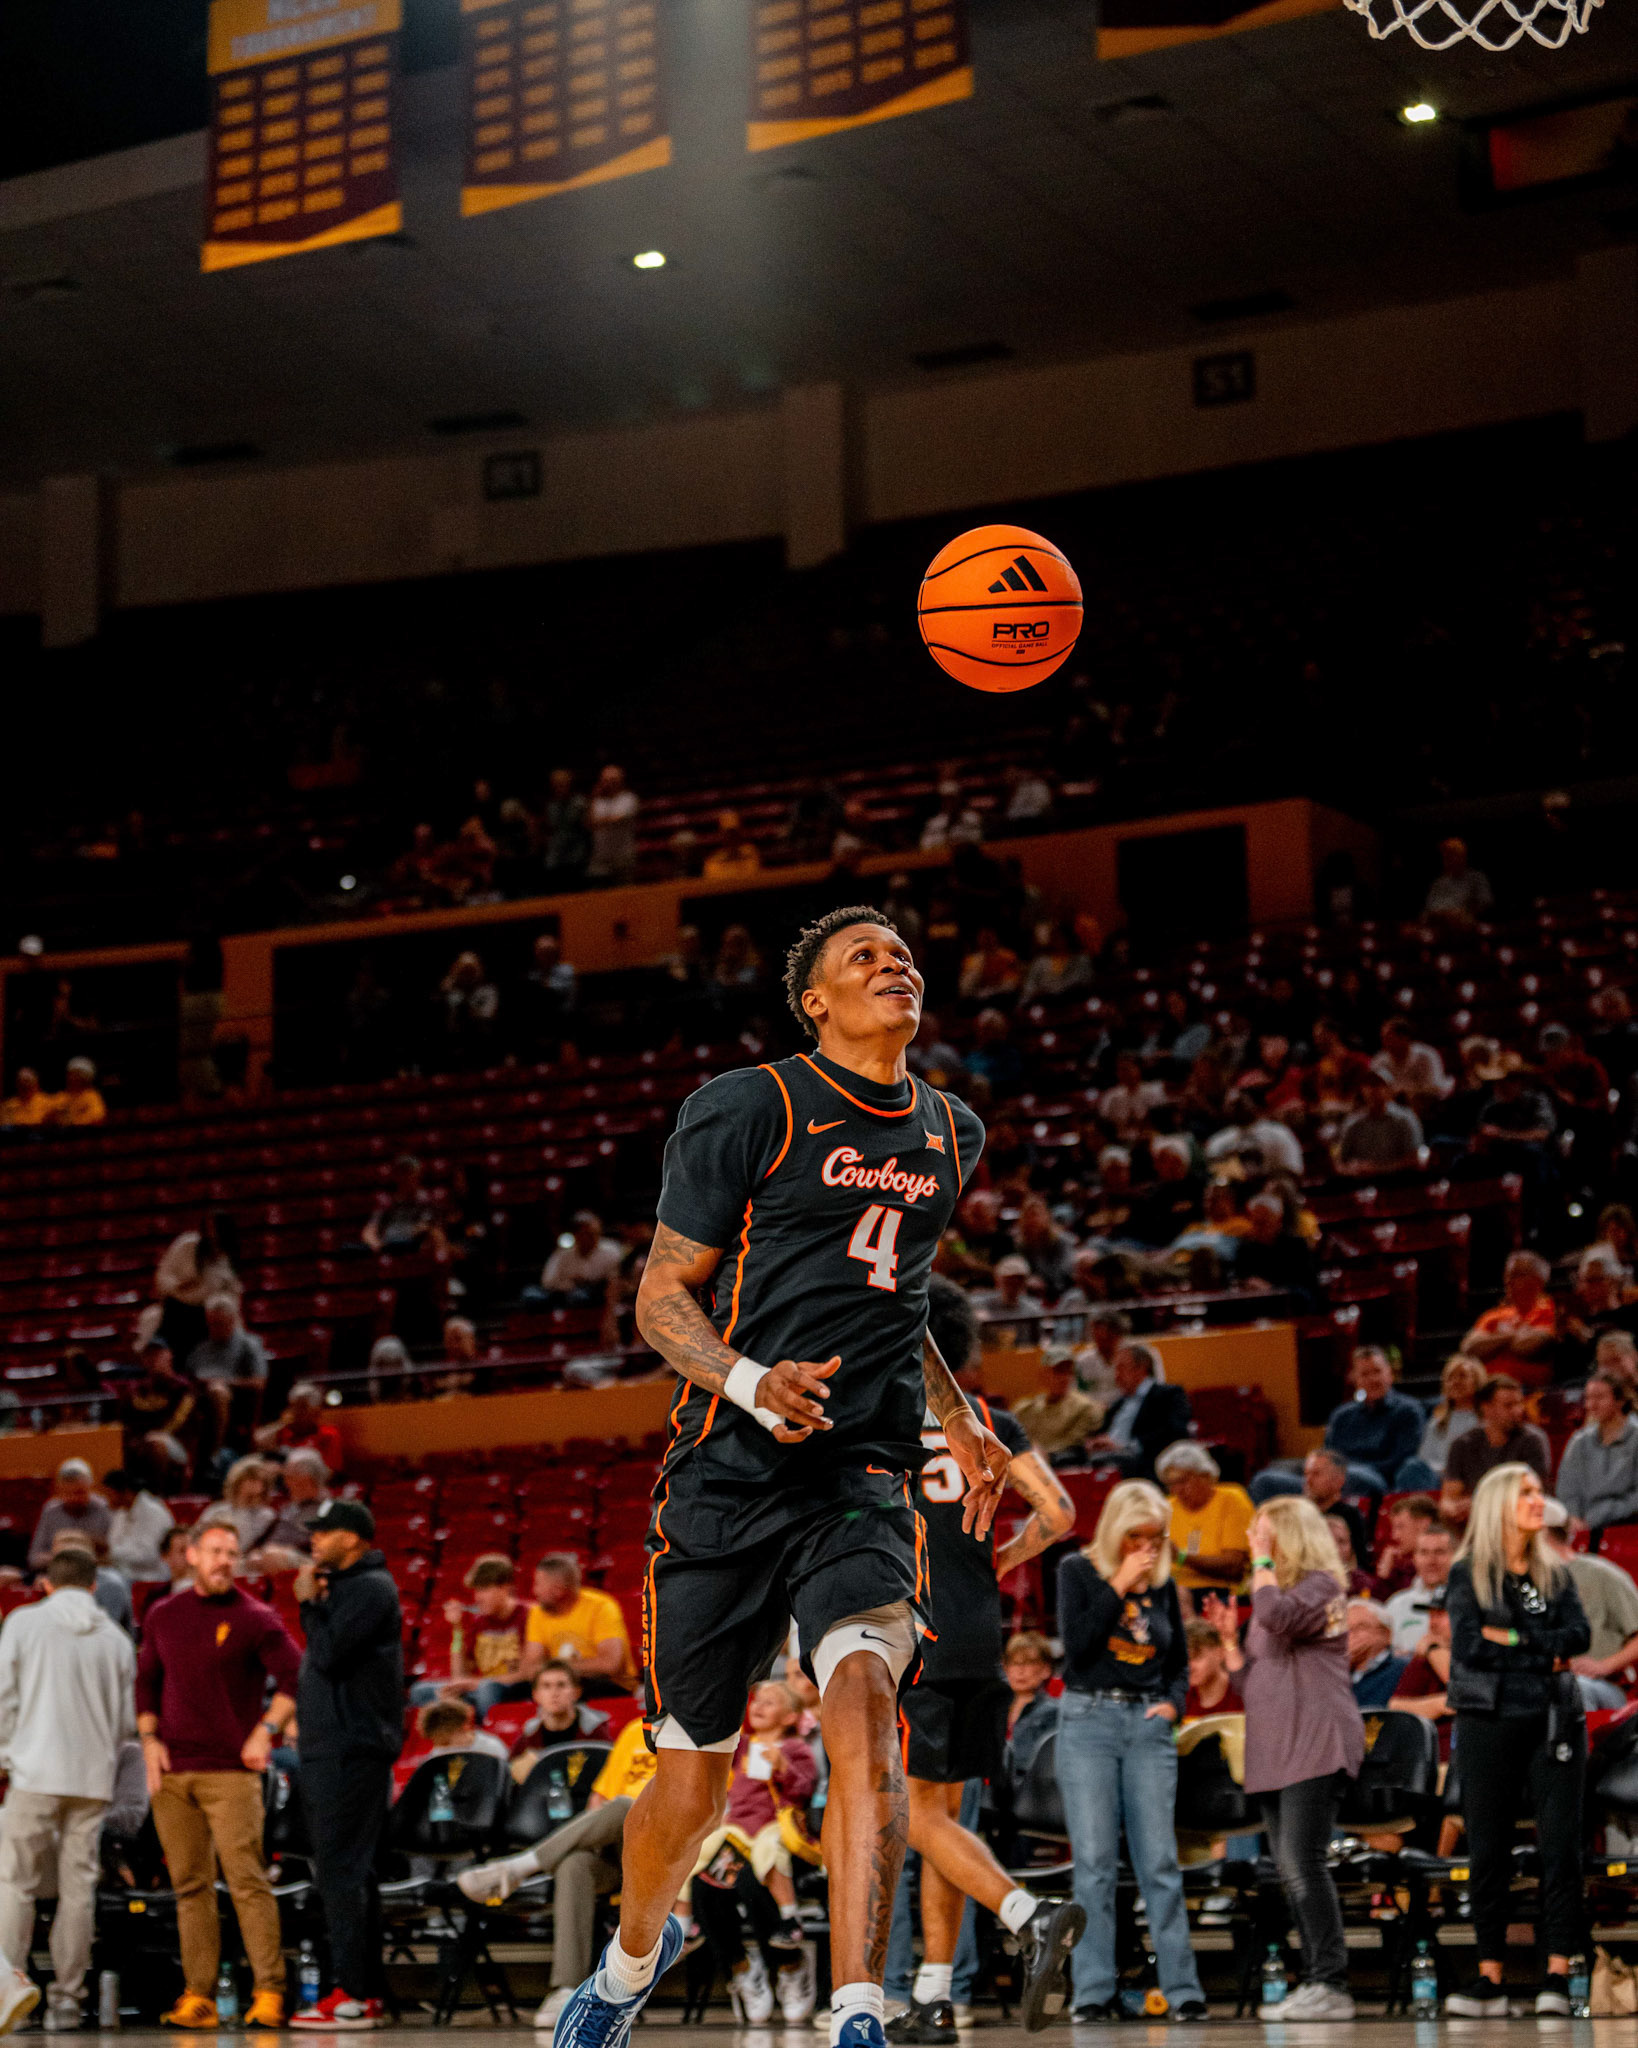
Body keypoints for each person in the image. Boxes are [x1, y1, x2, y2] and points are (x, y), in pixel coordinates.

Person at [554, 905, 1040, 2048]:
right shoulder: (751, 1106)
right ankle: (629, 1965)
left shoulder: (952, 1129)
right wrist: (749, 1379)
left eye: (904, 954)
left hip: (859, 1471)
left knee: (864, 1702)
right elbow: (660, 1296)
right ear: (814, 1001)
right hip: (727, 1470)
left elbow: (900, 1300)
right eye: (865, 956)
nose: (895, 965)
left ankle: (857, 2007)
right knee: (689, 1786)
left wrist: (958, 1416)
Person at [888, 1276, 1080, 2043]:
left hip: (917, 1634)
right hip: (982, 1637)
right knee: (943, 1820)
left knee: (915, 1817)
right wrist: (995, 1564)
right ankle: (936, 1998)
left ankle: (1027, 1913)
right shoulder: (992, 1423)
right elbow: (1059, 1513)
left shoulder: (886, 1417)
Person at [1202, 1495, 1363, 2021]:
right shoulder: (1278, 1594)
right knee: (1289, 1867)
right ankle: (1316, 1980)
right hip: (1276, 1747)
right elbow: (1255, 1683)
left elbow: (1273, 1615)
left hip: (1316, 1740)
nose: (1254, 1542)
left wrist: (1262, 1560)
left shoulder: (1322, 1586)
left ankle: (1331, 1983)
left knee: (1302, 1862)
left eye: (1263, 1534)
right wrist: (1230, 1643)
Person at [135, 1521, 300, 2030]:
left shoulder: (256, 1617)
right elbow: (146, 1681)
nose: (225, 1560)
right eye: (215, 1551)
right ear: (191, 1555)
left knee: (247, 1881)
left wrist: (265, 1731)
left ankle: (269, 1991)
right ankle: (199, 1996)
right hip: (173, 1772)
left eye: (232, 1552)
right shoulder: (163, 1614)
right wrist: (149, 1741)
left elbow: (296, 1676)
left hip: (231, 1771)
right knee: (190, 1886)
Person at [1055, 1481, 1206, 2024]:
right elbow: (1077, 1648)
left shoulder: (1164, 1585)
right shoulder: (1076, 1570)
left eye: (1154, 1538)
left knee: (1159, 1862)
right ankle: (1092, 1992)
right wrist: (1118, 1584)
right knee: (1094, 1863)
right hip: (1088, 1720)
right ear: (1115, 1531)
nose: (1145, 1547)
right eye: (1135, 1536)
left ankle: (1183, 1990)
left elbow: (1179, 1660)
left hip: (1146, 1724)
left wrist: (1173, 1705)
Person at [1443, 1463, 1590, 2019]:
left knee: (1561, 1847)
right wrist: (1542, 1649)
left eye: (1538, 1491)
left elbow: (1579, 1637)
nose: (1537, 1500)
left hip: (1554, 1719)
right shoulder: (1468, 1573)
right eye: (1526, 1492)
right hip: (1488, 1718)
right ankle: (1490, 1977)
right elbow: (1469, 1648)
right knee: (1488, 1849)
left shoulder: (1556, 1574)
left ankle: (1557, 1973)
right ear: (1499, 1503)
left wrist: (1510, 1637)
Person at [0, 1546, 135, 2034]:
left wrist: (6, 1754)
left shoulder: (23, 1622)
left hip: (35, 1772)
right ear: (95, 1587)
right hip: (91, 1779)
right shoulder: (116, 1638)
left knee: (15, 1884)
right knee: (78, 1892)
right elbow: (124, 1723)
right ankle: (67, 2003)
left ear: (46, 1585)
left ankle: (10, 1997)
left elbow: (3, 1697)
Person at [460, 1710, 659, 2036]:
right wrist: (591, 1836)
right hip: (617, 1848)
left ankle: (520, 1866)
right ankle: (566, 1989)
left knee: (627, 1805)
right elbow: (599, 1799)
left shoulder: (699, 1733)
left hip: (662, 1850)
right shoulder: (636, 1730)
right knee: (574, 1864)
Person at [291, 1499, 404, 2031]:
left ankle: (351, 1994)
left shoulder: (370, 1588)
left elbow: (329, 1654)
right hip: (338, 1747)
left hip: (350, 1748)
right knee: (351, 1871)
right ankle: (366, 1992)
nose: (314, 1538)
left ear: (354, 1537)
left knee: (340, 1871)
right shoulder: (349, 1587)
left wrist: (308, 1605)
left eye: (325, 1531)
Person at [688, 1680, 820, 2023]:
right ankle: (742, 1968)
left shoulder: (795, 1748)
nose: (758, 1706)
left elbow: (806, 1788)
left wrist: (782, 1767)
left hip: (779, 1839)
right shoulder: (742, 1745)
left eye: (770, 1702)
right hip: (738, 1836)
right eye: (756, 1700)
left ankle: (790, 1966)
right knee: (704, 1883)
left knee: (751, 1880)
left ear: (790, 1716)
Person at [1540, 1499, 1638, 1710]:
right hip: (1546, 1680)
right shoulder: (1522, 1582)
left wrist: (1604, 1666)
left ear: (1541, 1532)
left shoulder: (1601, 1573)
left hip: (1602, 1685)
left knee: (1569, 1688)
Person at [431, 1554, 535, 1718]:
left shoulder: (529, 1615)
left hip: (519, 1690)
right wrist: (457, 1630)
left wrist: (475, 1683)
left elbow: (526, 1673)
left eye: (484, 1589)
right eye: (476, 1590)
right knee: (422, 1691)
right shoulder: (479, 1622)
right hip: (483, 1689)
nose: (477, 1597)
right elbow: (459, 1676)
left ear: (505, 1588)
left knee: (488, 1689)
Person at [1081, 1341, 1192, 1483]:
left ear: (1140, 1369)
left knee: (1103, 1464)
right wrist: (1094, 1442)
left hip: (1142, 1462)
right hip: (1108, 1458)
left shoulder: (1169, 1394)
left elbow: (1176, 1431)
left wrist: (1126, 1446)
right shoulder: (1119, 1403)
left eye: (1121, 1368)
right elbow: (1101, 1432)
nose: (1116, 1376)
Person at [524, 1552, 635, 1694]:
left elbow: (609, 1665)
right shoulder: (537, 1612)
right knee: (520, 1691)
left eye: (538, 1584)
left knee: (564, 1691)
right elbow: (531, 1667)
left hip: (610, 1685)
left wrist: (555, 1668)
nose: (534, 1591)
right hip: (560, 1683)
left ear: (558, 1591)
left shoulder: (601, 1606)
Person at [1156, 1441, 1253, 1601]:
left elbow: (1235, 1568)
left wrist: (1181, 1557)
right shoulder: (1166, 1507)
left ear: (1206, 1476)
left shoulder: (1231, 1499)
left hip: (1221, 1591)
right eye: (1171, 1484)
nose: (1177, 1490)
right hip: (1172, 1589)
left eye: (1183, 1481)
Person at [1555, 1369, 1638, 1539]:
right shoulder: (1579, 1441)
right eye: (1588, 1398)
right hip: (1581, 1528)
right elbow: (1567, 1488)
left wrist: (1598, 1516)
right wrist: (1574, 1517)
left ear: (1620, 1401)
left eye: (1599, 1397)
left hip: (1627, 1527)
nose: (1590, 1405)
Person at [153, 1212, 241, 1366]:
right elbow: (162, 1277)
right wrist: (179, 1286)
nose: (212, 1236)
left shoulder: (226, 1261)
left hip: (206, 1317)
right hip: (176, 1312)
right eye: (209, 1230)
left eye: (217, 1231)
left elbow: (233, 1297)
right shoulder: (186, 1245)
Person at [1460, 1251, 1557, 1387]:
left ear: (1538, 1281)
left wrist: (1493, 1340)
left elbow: (1525, 1347)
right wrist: (1512, 1336)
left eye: (1516, 1275)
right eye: (1507, 1275)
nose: (1508, 1281)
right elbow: (1470, 1347)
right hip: (1486, 1388)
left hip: (1526, 1390)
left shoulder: (1551, 1311)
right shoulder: (1493, 1316)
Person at [184, 1293, 268, 1446]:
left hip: (236, 1404)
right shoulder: (201, 1349)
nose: (214, 1328)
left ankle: (214, 1450)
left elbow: (259, 1383)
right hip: (198, 1400)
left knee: (218, 1391)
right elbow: (188, 1378)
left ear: (232, 1320)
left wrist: (223, 1382)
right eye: (211, 1323)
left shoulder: (249, 1345)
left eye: (219, 1323)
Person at [1445, 1374, 1552, 1493]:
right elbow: (1450, 1499)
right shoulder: (1462, 1445)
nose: (1517, 1411)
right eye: (1508, 1405)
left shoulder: (1533, 1440)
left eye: (1519, 1403)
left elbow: (1531, 1492)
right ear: (1486, 1408)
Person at [1402, 1355, 1486, 1489]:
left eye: (1462, 1376)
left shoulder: (1486, 1420)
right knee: (1411, 1467)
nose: (1455, 1382)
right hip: (1437, 1478)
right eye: (1450, 1378)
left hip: (1470, 1478)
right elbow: (1424, 1458)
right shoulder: (1437, 1421)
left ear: (1477, 1381)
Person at [506, 1661, 610, 1770]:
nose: (554, 1693)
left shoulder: (595, 1735)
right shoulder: (528, 1738)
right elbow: (508, 1773)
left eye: (561, 1685)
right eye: (546, 1686)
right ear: (536, 1695)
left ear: (577, 1692)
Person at [1012, 1350, 1101, 1458]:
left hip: (1062, 1462)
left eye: (1069, 1372)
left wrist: (1042, 1454)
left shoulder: (1084, 1408)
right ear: (1043, 1375)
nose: (1064, 1378)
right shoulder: (1025, 1409)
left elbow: (1074, 1445)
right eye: (1058, 1371)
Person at [1332, 1072, 1423, 1177]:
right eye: (1368, 1085)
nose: (1372, 1090)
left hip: (1397, 1180)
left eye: (1378, 1085)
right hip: (1360, 1181)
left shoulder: (1405, 1119)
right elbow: (1340, 1161)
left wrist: (1378, 1170)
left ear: (1389, 1090)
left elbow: (1414, 1160)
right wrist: (1351, 1169)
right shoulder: (1353, 1122)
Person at [1384, 1522, 1456, 1655]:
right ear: (1414, 1558)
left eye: (1439, 1552)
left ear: (1455, 1556)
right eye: (1424, 1553)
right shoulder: (1396, 1605)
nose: (1431, 1561)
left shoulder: (1470, 1602)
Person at [27, 1461, 110, 1572]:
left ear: (91, 1487)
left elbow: (113, 1555)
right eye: (67, 1493)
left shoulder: (103, 1508)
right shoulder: (50, 1511)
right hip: (56, 1572)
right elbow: (34, 1558)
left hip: (94, 1572)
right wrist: (63, 1557)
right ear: (58, 1491)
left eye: (80, 1492)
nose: (74, 1498)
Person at [100, 1467, 174, 1584]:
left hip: (150, 1579)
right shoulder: (121, 1512)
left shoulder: (154, 1513)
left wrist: (109, 1550)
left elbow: (149, 1555)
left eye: (109, 1494)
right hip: (123, 1575)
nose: (106, 1500)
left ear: (126, 1493)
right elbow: (113, 1543)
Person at [539, 1211, 623, 1306]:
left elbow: (615, 1282)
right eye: (588, 1234)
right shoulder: (564, 1253)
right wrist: (571, 1285)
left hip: (599, 1297)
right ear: (576, 1235)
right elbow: (547, 1281)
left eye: (596, 1233)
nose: (594, 1238)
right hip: (566, 1296)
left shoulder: (612, 1250)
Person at [1423, 836, 1493, 932]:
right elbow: (1429, 909)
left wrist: (1463, 914)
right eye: (1445, 856)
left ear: (1463, 856)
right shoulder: (1439, 883)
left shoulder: (1476, 878)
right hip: (1439, 928)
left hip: (1466, 928)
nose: (1447, 860)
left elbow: (1485, 903)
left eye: (1451, 855)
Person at [1346, 1600, 1408, 1707]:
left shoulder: (1403, 1669)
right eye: (1346, 1629)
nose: (1351, 1635)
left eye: (1361, 1627)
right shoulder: (1336, 1672)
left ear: (1386, 1634)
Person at [1182, 1620, 1242, 1721]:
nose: (1190, 1667)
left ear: (1220, 1653)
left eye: (1196, 1656)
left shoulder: (1244, 1695)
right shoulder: (1181, 1700)